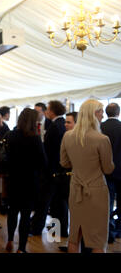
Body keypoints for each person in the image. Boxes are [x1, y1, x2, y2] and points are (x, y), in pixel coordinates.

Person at [60, 99, 114, 253]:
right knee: (98, 238)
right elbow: (108, 168)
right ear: (93, 114)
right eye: (101, 112)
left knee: (75, 235)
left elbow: (64, 163)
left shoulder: (68, 136)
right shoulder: (102, 139)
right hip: (96, 191)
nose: (103, 116)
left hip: (76, 188)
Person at [4, 108, 47, 253]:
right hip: (29, 181)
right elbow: (43, 162)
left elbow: (7, 156)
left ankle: (10, 240)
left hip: (13, 180)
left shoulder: (11, 135)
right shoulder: (35, 138)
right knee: (25, 216)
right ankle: (21, 248)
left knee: (12, 212)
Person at [31, 100, 68, 237]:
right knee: (59, 203)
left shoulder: (54, 126)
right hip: (60, 170)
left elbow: (48, 150)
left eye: (48, 109)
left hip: (51, 170)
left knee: (44, 202)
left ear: (52, 111)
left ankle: (36, 229)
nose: (46, 112)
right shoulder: (61, 124)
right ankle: (60, 231)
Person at [101, 103, 121, 242]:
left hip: (105, 170)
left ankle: (107, 231)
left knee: (106, 203)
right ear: (118, 113)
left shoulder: (100, 128)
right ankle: (119, 229)